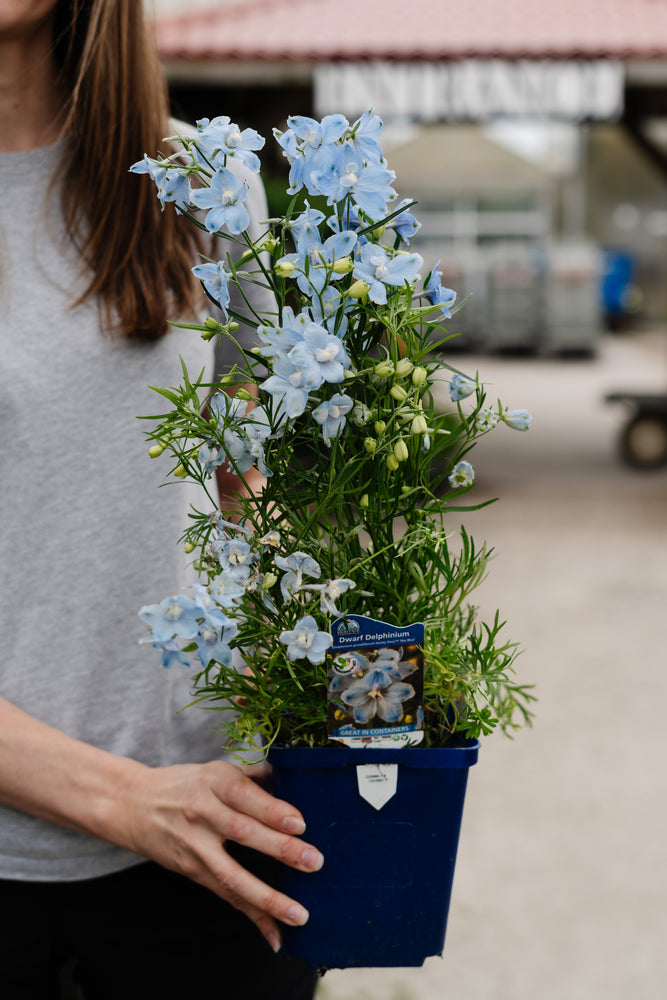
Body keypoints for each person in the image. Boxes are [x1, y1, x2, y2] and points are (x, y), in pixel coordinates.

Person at [0, 2, 320, 997]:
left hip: (213, 829)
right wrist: (124, 799)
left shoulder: (204, 179)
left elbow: (240, 469)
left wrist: (310, 649)